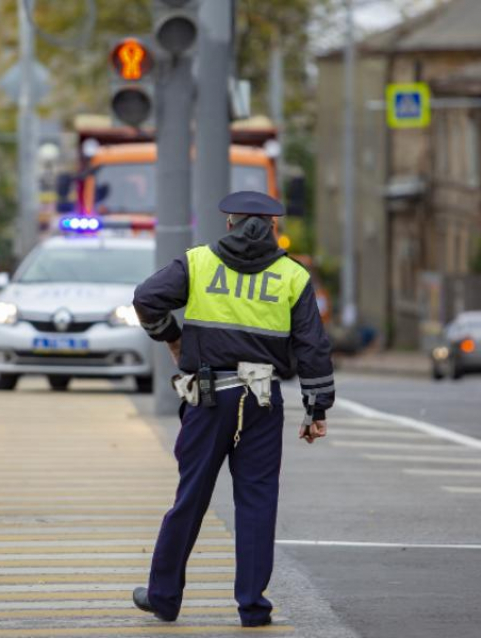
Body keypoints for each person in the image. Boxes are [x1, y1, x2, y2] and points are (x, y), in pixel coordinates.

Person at [130, 191, 334, 627]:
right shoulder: (292, 276)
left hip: (208, 396)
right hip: (261, 398)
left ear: (230, 225)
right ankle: (253, 607)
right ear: (274, 230)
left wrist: (172, 337)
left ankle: (164, 597)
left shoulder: (199, 262)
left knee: (191, 498)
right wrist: (316, 409)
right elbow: (312, 345)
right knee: (257, 501)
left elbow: (146, 298)